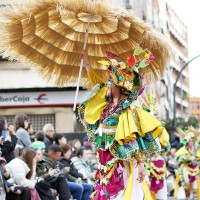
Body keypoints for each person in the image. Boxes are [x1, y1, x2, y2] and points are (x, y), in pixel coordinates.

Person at [78, 49, 165, 199]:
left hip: (121, 160)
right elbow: (94, 81)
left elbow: (134, 138)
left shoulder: (127, 109)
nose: (106, 85)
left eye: (110, 82)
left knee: (123, 193)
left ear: (117, 86)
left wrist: (141, 164)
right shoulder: (107, 105)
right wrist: (86, 62)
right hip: (104, 158)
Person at [139, 91, 170, 200]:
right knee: (147, 192)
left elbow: (166, 147)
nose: (155, 117)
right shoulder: (142, 131)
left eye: (156, 115)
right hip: (146, 164)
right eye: (153, 114)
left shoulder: (161, 130)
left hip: (159, 163)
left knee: (161, 193)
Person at [174, 126, 200, 199]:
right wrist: (186, 158)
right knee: (186, 184)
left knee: (195, 186)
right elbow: (177, 159)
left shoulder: (196, 149)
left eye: (192, 141)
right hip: (185, 169)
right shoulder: (182, 150)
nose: (191, 142)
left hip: (195, 169)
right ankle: (186, 197)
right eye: (189, 141)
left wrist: (196, 160)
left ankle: (194, 198)